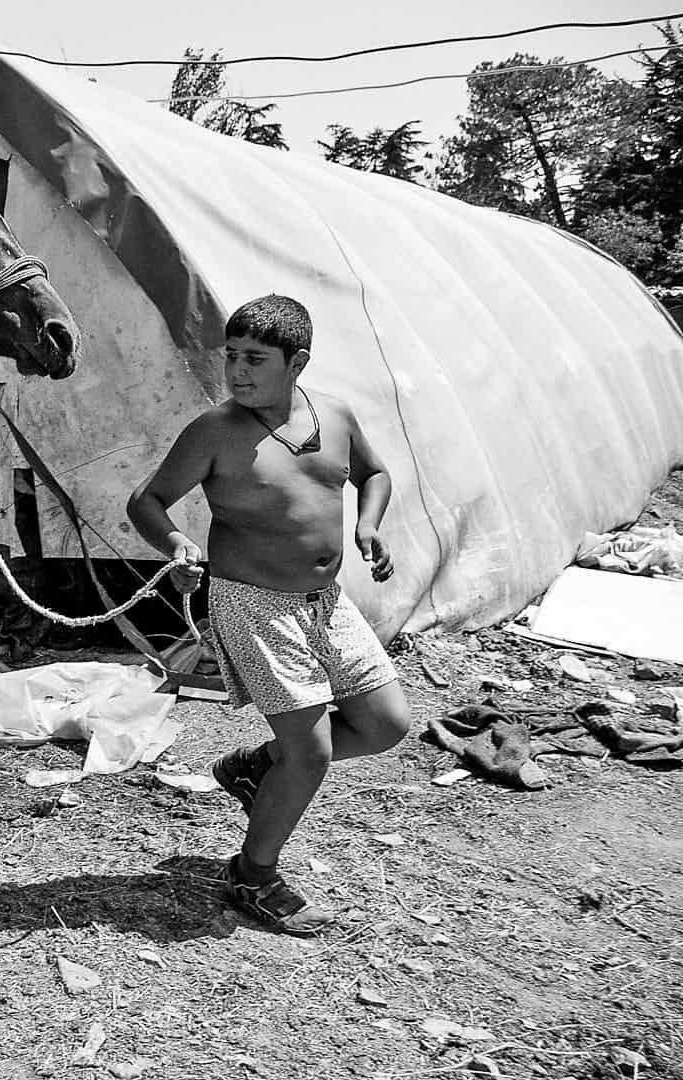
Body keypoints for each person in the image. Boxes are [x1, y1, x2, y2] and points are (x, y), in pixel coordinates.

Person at [127, 294, 411, 935]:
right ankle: (253, 874)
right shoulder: (216, 432)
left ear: (298, 362)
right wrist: (175, 544)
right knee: (308, 753)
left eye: (255, 359)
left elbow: (375, 474)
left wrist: (368, 526)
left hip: (326, 603)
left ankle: (256, 768)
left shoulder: (333, 417)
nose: (237, 371)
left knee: (386, 724)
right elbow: (146, 501)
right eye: (231, 356)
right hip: (253, 603)